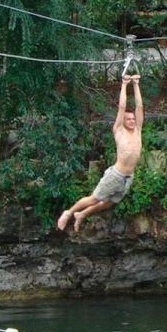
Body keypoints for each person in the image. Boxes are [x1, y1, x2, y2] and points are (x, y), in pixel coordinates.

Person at [58, 74, 143, 232]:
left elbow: (139, 107)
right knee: (94, 199)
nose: (131, 121)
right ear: (123, 121)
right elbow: (122, 107)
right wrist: (124, 84)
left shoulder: (138, 130)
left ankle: (81, 215)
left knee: (109, 203)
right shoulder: (119, 131)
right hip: (116, 175)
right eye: (128, 119)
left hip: (128, 177)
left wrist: (136, 84)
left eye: (133, 119)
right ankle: (68, 212)